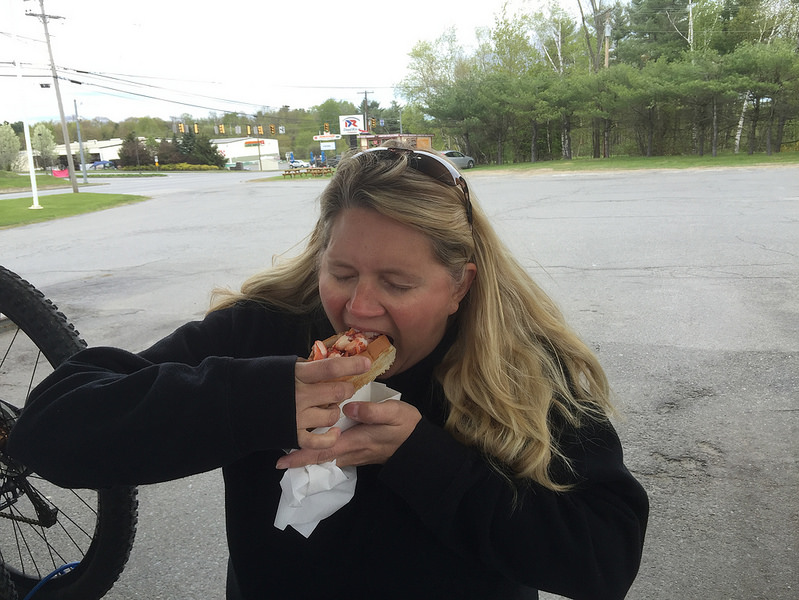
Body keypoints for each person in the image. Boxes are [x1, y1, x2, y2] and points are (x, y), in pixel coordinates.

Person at [8, 144, 648, 599]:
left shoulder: (522, 369)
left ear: (460, 286)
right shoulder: (266, 331)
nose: (359, 306)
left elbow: (603, 561)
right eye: (342, 273)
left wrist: (423, 459)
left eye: (397, 282)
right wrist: (252, 398)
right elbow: (54, 431)